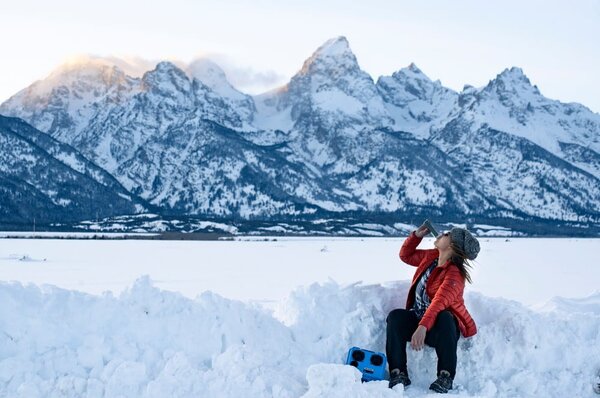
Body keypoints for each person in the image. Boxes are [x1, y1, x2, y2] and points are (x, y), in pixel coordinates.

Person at [386, 223, 480, 393]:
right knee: (395, 317)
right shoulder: (431, 257)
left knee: (445, 317)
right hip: (420, 319)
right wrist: (416, 236)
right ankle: (398, 373)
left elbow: (438, 302)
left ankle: (445, 376)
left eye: (447, 235)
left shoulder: (455, 275)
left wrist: (422, 327)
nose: (441, 234)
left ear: (452, 246)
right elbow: (406, 256)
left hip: (441, 330)